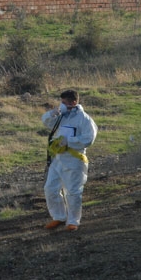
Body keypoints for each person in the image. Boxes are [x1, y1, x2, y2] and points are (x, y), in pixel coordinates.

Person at [41, 90, 98, 231]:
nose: (63, 105)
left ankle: (73, 221)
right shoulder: (61, 116)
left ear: (74, 102)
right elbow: (46, 122)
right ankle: (58, 216)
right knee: (50, 189)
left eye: (65, 103)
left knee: (73, 192)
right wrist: (54, 112)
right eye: (61, 103)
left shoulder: (84, 119)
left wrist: (69, 141)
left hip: (74, 160)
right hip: (58, 159)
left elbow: (89, 139)